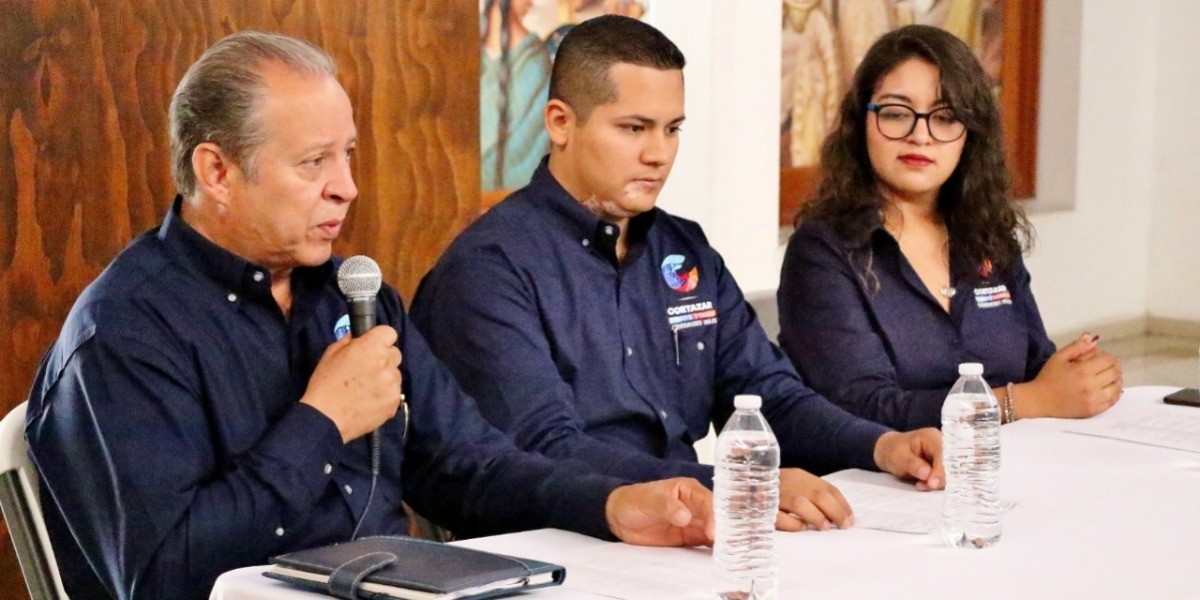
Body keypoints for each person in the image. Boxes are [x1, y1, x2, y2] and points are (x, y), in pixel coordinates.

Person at [24, 31, 715, 600]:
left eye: (348, 154)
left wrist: (612, 503)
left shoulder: (350, 297)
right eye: (313, 162)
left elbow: (468, 463)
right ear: (216, 172)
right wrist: (321, 422)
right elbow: (162, 577)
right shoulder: (126, 332)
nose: (347, 187)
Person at [410, 15, 944, 536]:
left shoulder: (683, 248)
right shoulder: (488, 269)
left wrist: (882, 446)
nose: (659, 154)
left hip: (691, 531)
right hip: (567, 542)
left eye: (672, 129)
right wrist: (740, 484)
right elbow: (547, 449)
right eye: (633, 128)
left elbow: (770, 396)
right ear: (560, 122)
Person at [777, 25, 1123, 432]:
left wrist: (1080, 375)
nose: (920, 135)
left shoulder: (986, 233)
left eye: (945, 117)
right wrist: (1024, 402)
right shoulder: (822, 252)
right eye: (895, 112)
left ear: (970, 134)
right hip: (883, 483)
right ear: (860, 123)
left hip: (1008, 466)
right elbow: (862, 409)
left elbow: (1035, 365)